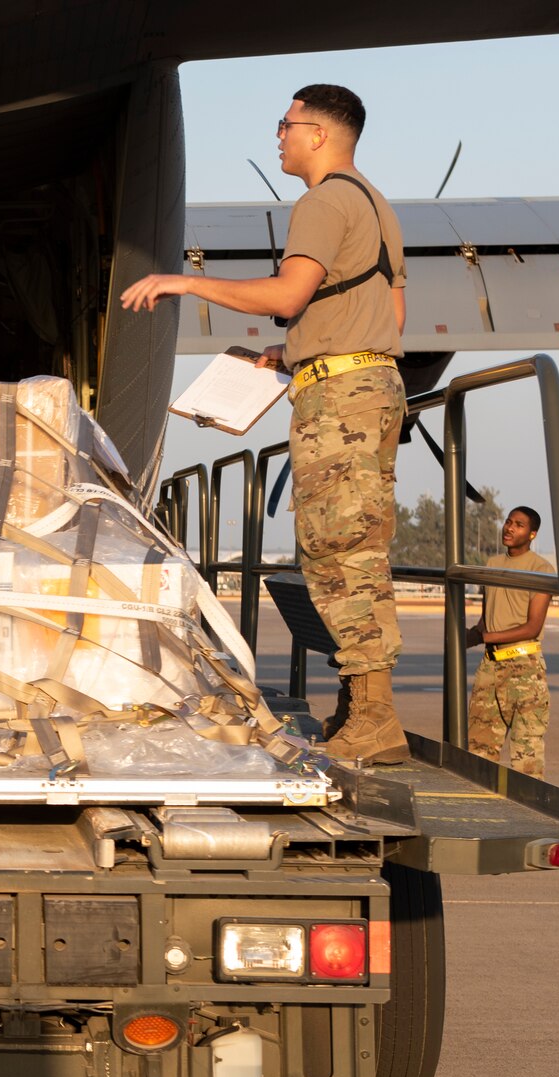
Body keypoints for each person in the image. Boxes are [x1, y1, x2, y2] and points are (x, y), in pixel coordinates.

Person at [120, 84, 409, 764]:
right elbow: (389, 318)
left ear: (318, 134)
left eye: (286, 124)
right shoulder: (375, 203)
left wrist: (185, 283)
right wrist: (296, 349)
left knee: (340, 552)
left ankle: (376, 717)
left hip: (341, 401)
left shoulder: (323, 199)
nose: (278, 136)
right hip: (369, 386)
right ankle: (364, 706)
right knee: (357, 547)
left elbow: (287, 294)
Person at [466, 506, 556, 777]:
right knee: (479, 747)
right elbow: (487, 618)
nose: (509, 528)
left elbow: (532, 626)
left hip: (523, 667)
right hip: (490, 666)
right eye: (508, 522)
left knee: (525, 752)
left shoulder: (541, 569)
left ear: (531, 534)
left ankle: (529, 814)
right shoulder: (492, 565)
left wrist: (486, 637)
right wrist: (466, 637)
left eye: (518, 524)